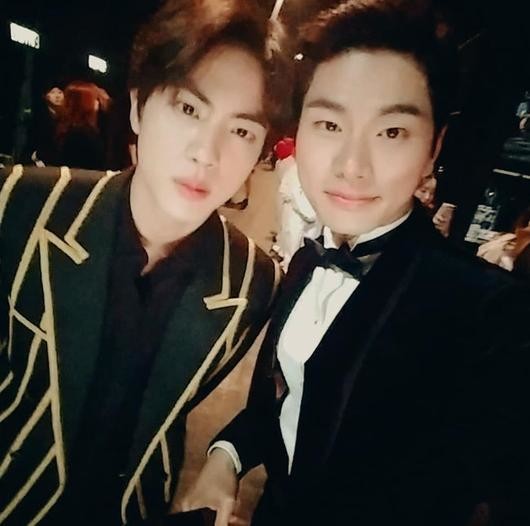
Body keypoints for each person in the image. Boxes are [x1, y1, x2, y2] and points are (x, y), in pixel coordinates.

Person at [180, 2, 530, 525]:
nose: (351, 166)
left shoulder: (489, 312)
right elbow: (282, 405)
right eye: (329, 124)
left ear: (434, 148)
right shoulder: (306, 262)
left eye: (392, 132)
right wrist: (224, 459)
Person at [0, 0, 291, 524]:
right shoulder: (18, 205)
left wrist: (222, 464)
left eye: (241, 131)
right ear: (138, 107)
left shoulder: (253, 281)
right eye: (189, 109)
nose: (207, 153)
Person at [56, 80, 107, 170]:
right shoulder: (80, 135)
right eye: (96, 99)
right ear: (86, 103)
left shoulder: (68, 129)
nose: (98, 103)